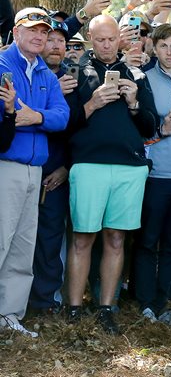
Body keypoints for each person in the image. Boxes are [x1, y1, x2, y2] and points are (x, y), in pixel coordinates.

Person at [65, 15, 158, 335]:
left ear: (120, 38)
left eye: (111, 39)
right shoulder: (75, 72)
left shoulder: (136, 73)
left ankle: (107, 307)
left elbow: (150, 127)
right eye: (100, 39)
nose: (106, 45)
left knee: (117, 238)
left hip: (129, 167)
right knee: (82, 238)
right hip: (88, 164)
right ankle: (74, 308)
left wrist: (133, 102)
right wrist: (91, 104)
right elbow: (64, 125)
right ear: (90, 38)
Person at [0, 7, 70, 337]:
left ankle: (10, 316)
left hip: (34, 171)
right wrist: (26, 115)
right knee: (0, 243)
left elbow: (62, 118)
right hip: (6, 167)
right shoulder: (2, 64)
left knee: (22, 248)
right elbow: (7, 113)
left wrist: (36, 117)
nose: (40, 36)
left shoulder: (45, 72)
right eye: (32, 30)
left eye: (44, 31)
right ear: (16, 33)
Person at [134, 23, 171, 325]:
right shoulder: (144, 79)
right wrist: (162, 130)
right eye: (163, 47)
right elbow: (140, 132)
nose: (169, 53)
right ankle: (145, 302)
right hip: (156, 175)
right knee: (148, 240)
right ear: (154, 49)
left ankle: (165, 301)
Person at [28, 18, 76, 315]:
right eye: (50, 39)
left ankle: (45, 301)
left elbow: (81, 129)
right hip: (26, 167)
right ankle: (15, 301)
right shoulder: (29, 76)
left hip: (58, 173)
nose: (56, 45)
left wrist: (67, 168)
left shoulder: (78, 80)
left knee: (49, 239)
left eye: (61, 41)